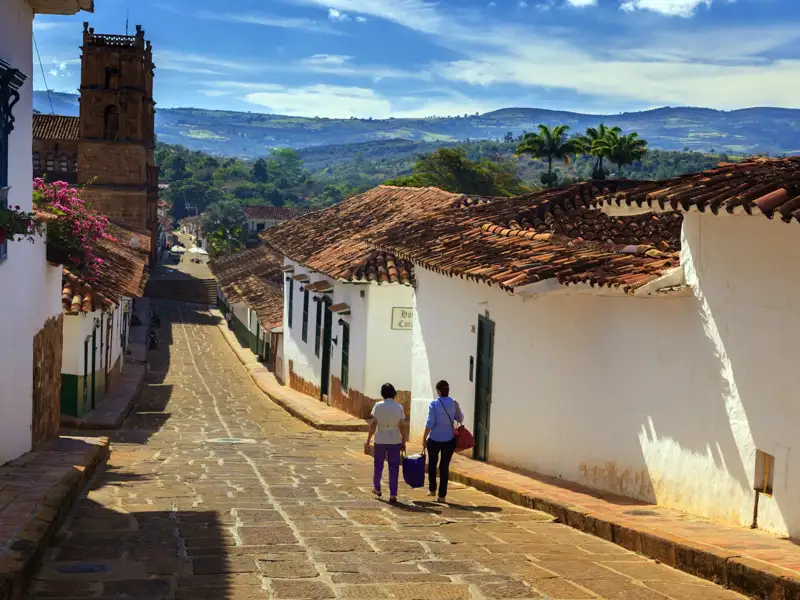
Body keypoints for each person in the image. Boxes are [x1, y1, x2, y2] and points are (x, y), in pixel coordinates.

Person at [422, 380, 464, 503]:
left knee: (432, 464)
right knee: (444, 466)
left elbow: (430, 423)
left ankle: (432, 489)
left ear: (438, 391)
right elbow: (460, 418)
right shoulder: (454, 402)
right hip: (449, 439)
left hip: (434, 439)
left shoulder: (434, 404)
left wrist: (424, 438)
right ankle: (442, 495)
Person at [365, 383, 407, 503]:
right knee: (394, 467)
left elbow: (373, 424)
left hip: (380, 438)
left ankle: (377, 488)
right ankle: (393, 493)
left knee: (378, 465)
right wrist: (404, 441)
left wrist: (368, 440)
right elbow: (402, 426)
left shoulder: (378, 406)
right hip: (395, 439)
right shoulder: (398, 407)